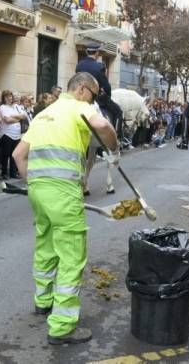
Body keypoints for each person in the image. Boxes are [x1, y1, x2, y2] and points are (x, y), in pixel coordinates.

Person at [12, 72, 119, 345]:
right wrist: (114, 147)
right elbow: (104, 126)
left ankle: (43, 302)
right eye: (94, 96)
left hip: (38, 191)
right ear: (83, 90)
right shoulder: (80, 107)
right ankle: (61, 326)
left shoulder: (43, 114)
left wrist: (35, 182)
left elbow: (18, 155)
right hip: (64, 191)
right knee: (71, 255)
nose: (94, 101)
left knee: (45, 245)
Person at [76, 44, 123, 136]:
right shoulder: (99, 67)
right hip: (96, 99)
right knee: (118, 111)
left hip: (79, 96)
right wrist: (108, 96)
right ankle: (115, 137)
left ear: (87, 52)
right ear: (96, 53)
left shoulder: (79, 65)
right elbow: (106, 87)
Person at [0, 90, 27, 179]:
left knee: (14, 155)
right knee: (5, 155)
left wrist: (13, 116)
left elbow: (24, 116)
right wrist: (18, 118)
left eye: (10, 96)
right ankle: (4, 173)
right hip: (7, 134)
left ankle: (13, 173)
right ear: (4, 98)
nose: (9, 98)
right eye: (7, 97)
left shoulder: (16, 106)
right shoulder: (2, 107)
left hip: (17, 135)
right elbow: (7, 120)